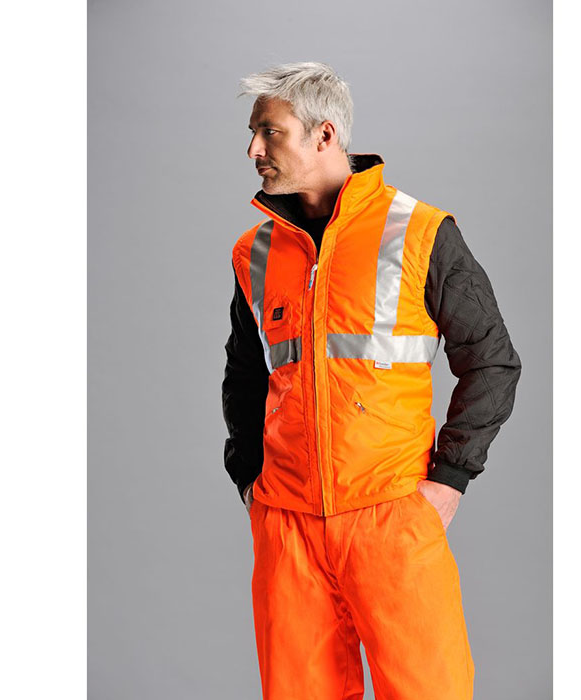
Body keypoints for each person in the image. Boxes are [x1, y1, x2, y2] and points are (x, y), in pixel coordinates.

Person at [222, 61, 522, 700]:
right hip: (288, 527)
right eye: (253, 133)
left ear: (324, 135)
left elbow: (492, 360)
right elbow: (244, 375)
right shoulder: (256, 251)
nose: (253, 150)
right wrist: (250, 480)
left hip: (392, 518)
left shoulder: (420, 232)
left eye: (269, 132)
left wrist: (451, 478)